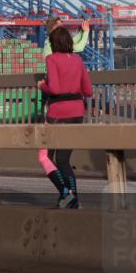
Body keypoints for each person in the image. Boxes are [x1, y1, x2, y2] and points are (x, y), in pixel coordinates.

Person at [37, 27, 93, 209]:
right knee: (63, 160)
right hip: (77, 113)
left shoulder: (51, 59)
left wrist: (42, 86)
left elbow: (54, 88)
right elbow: (88, 91)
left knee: (44, 156)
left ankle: (66, 194)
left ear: (53, 44)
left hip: (57, 114)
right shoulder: (78, 60)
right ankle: (72, 199)